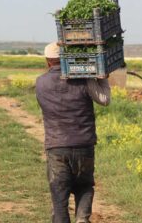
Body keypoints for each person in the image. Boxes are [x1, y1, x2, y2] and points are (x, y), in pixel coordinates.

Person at [36, 42, 111, 223]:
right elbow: (105, 99)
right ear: (66, 59)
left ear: (48, 62)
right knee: (84, 187)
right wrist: (101, 77)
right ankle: (82, 220)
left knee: (59, 197)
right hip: (84, 145)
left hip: (56, 147)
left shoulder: (40, 83)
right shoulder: (83, 78)